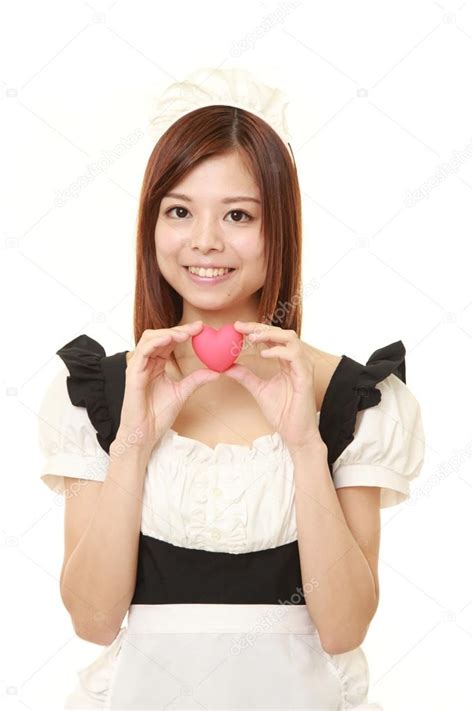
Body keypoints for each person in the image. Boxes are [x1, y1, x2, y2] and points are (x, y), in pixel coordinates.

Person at [37, 68, 425, 710]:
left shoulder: (353, 399)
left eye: (239, 214)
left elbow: (344, 627)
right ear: (151, 224)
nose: (205, 242)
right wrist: (133, 442)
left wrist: (304, 447)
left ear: (281, 228)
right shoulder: (101, 394)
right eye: (180, 211)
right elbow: (93, 621)